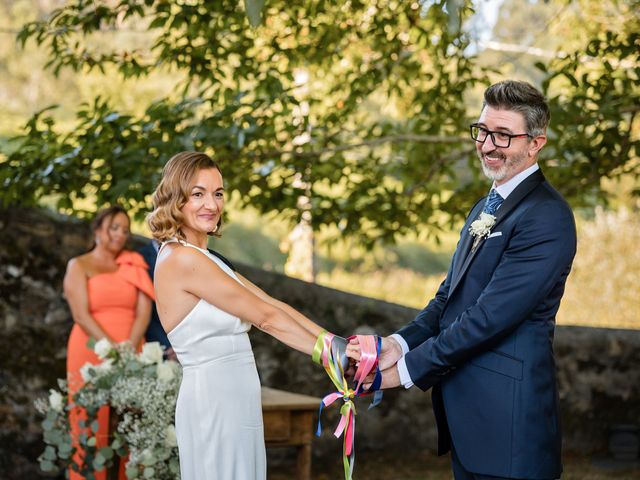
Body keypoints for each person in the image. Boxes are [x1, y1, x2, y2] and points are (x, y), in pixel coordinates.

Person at [357, 80, 577, 480]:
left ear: (536, 143)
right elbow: (449, 297)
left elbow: (488, 318)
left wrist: (403, 372)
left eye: (504, 135)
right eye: (483, 131)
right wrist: (397, 343)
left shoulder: (547, 216)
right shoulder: (485, 206)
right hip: (469, 424)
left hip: (510, 427)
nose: (488, 145)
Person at [147, 151, 346, 480]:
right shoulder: (182, 259)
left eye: (218, 193)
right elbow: (265, 317)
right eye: (198, 194)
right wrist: (329, 355)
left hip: (237, 395)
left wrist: (335, 343)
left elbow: (272, 303)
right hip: (214, 399)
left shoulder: (207, 257)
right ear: (176, 199)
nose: (211, 204)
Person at [64, 205, 155, 480]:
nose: (120, 234)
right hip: (90, 348)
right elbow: (80, 313)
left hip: (131, 350)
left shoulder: (133, 263)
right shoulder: (79, 265)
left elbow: (144, 311)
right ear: (98, 229)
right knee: (90, 425)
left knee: (131, 427)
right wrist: (110, 347)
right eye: (114, 227)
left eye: (125, 230)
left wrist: (128, 346)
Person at [138, 239, 178, 360]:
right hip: (156, 344)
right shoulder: (139, 257)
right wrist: (167, 344)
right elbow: (145, 311)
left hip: (187, 342)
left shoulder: (190, 253)